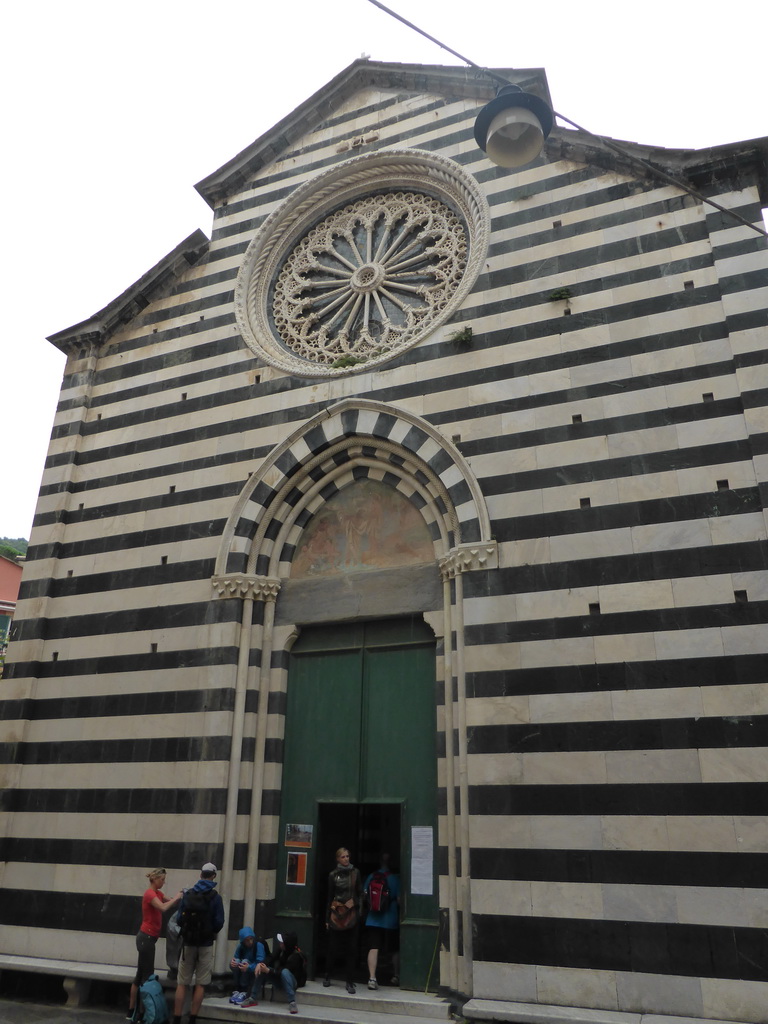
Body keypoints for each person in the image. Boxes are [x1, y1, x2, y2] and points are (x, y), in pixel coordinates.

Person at [171, 862, 225, 1024]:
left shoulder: (188, 894)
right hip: (206, 944)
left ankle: (176, 1019)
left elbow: (179, 919)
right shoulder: (215, 898)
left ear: (200, 874)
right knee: (201, 984)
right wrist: (209, 932)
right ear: (213, 876)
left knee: (182, 983)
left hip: (188, 944)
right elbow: (219, 922)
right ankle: (193, 1019)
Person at [128, 868, 182, 1019]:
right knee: (147, 977)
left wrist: (180, 897)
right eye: (162, 880)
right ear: (155, 879)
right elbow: (163, 907)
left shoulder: (157, 893)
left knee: (140, 975)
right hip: (145, 939)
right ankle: (142, 1013)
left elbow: (168, 900)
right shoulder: (150, 894)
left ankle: (132, 1010)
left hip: (148, 939)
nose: (164, 883)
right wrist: (177, 897)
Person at [324, 846, 362, 994]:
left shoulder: (355, 873)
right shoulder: (333, 875)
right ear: (338, 859)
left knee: (351, 949)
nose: (346, 859)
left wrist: (356, 904)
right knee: (333, 947)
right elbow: (329, 896)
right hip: (336, 915)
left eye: (347, 856)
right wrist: (327, 917)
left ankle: (349, 981)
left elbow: (360, 892)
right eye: (343, 857)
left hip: (351, 915)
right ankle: (327, 975)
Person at [363, 853, 400, 989]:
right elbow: (400, 899)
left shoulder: (372, 876)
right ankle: (396, 975)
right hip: (391, 919)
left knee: (373, 947)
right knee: (395, 949)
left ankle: (372, 978)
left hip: (373, 919)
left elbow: (365, 894)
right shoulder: (395, 879)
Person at [250, 931, 305, 1013]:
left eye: (282, 942)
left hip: (292, 982)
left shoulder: (296, 956)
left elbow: (283, 971)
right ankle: (252, 998)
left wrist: (269, 970)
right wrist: (261, 964)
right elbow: (271, 957)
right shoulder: (281, 950)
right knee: (262, 969)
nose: (280, 944)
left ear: (287, 944)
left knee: (285, 972)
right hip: (279, 979)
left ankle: (292, 1002)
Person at [228, 927, 267, 1005]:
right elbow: (236, 957)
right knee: (237, 962)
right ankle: (237, 989)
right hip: (243, 969)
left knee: (244, 962)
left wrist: (249, 967)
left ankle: (244, 990)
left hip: (254, 970)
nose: (249, 942)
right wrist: (232, 962)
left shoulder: (258, 945)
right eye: (246, 940)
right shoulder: (241, 946)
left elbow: (260, 962)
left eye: (250, 939)